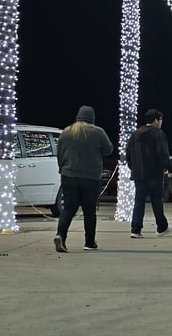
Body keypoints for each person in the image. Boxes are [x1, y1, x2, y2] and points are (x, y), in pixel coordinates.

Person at [54, 105, 113, 252]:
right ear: (92, 119)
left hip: (69, 175)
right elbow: (108, 150)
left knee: (68, 209)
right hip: (91, 177)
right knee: (89, 211)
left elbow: (59, 154)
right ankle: (89, 242)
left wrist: (62, 169)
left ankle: (61, 235)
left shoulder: (66, 132)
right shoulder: (98, 132)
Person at [126, 109, 172, 239]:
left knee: (139, 201)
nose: (161, 122)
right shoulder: (158, 133)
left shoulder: (135, 134)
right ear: (155, 120)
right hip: (154, 174)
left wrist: (134, 168)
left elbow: (128, 154)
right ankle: (161, 227)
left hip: (139, 174)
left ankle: (135, 230)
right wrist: (169, 168)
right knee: (156, 200)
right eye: (160, 119)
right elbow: (163, 153)